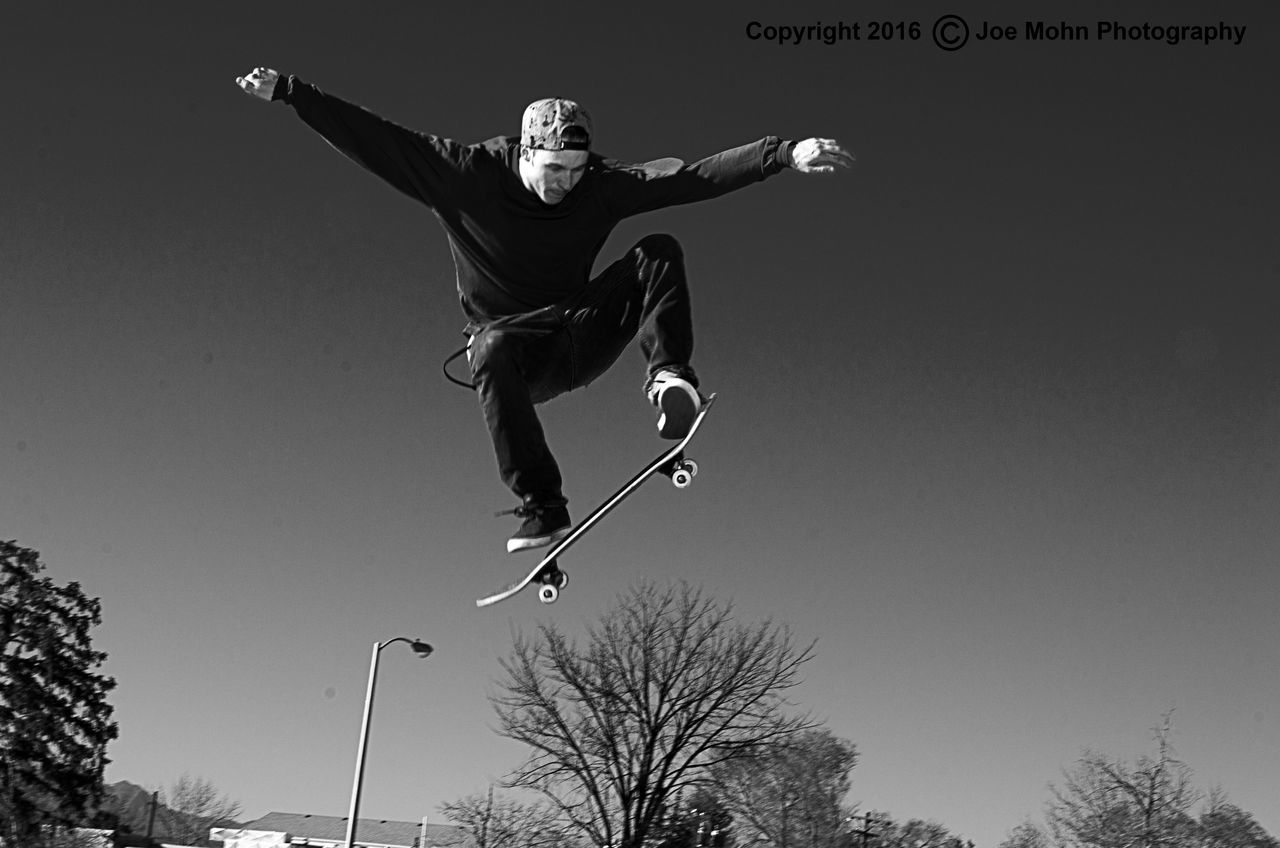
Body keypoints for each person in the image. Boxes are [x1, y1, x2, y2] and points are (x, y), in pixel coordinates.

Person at [235, 67, 854, 553]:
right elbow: (379, 142)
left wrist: (782, 153)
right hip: (519, 358)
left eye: (577, 170)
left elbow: (690, 179)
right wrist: (292, 93)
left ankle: (669, 377)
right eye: (554, 170)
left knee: (658, 249)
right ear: (525, 152)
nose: (565, 183)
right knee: (490, 346)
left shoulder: (600, 186)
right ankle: (542, 503)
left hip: (580, 332)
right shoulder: (465, 174)